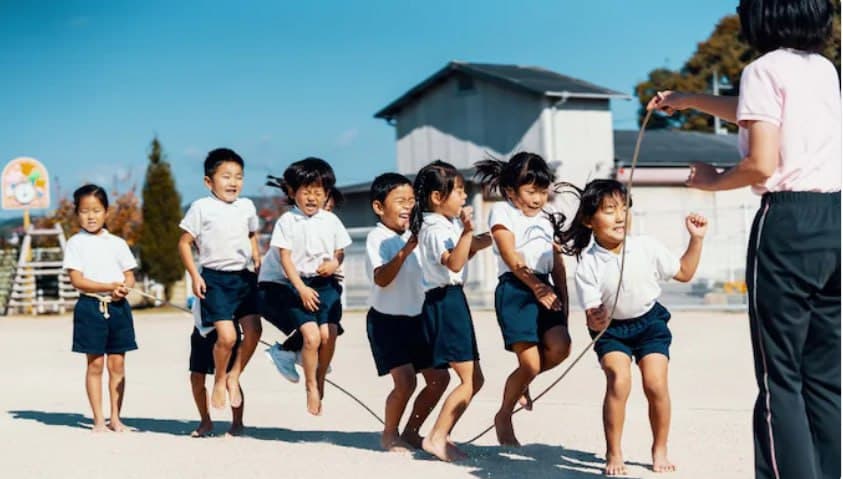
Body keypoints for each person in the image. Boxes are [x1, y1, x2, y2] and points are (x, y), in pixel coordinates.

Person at [647, 1, 840, 477]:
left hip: (788, 222)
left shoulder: (762, 69)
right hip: (836, 219)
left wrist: (712, 180)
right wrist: (689, 99)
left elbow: (760, 163)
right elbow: (753, 111)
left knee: (780, 378)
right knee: (825, 377)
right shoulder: (823, 69)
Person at [562, 179, 707, 476]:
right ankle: (614, 451)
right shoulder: (588, 263)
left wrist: (696, 239)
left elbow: (684, 273)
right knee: (619, 380)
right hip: (612, 331)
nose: (620, 217)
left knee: (655, 384)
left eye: (623, 209)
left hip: (650, 323)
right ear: (589, 221)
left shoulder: (646, 246)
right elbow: (592, 316)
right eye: (609, 210)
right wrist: (595, 318)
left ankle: (660, 448)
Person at [474, 152, 572, 446]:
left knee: (562, 347)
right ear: (511, 191)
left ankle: (523, 381)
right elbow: (510, 254)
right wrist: (536, 288)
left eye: (543, 191)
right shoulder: (502, 212)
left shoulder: (547, 217)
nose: (538, 198)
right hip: (516, 288)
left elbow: (557, 265)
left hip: (545, 285)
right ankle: (504, 414)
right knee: (529, 363)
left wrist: (563, 306)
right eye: (531, 191)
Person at [410, 160, 492, 461]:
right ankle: (437, 437)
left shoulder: (446, 224)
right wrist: (468, 231)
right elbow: (455, 263)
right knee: (469, 380)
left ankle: (423, 434)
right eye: (458, 191)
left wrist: (493, 236)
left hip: (451, 300)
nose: (464, 196)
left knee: (471, 379)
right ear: (436, 197)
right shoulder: (434, 228)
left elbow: (466, 250)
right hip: (445, 301)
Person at [257, 157, 351, 415]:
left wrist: (334, 263)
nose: (312, 198)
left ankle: (320, 379)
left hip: (323, 283)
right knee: (311, 336)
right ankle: (310, 386)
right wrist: (300, 288)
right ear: (292, 192)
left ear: (326, 194)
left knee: (329, 334)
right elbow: (285, 258)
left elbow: (340, 251)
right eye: (306, 192)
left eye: (318, 192)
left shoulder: (331, 220)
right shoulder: (287, 221)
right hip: (295, 283)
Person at [364, 172, 450, 451]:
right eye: (400, 200)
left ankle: (412, 431)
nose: (408, 206)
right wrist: (406, 250)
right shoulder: (377, 237)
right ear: (379, 207)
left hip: (419, 319)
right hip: (386, 321)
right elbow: (381, 278)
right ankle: (389, 433)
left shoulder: (421, 235)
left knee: (440, 379)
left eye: (412, 200)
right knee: (405, 381)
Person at [178, 148, 262, 410]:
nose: (233, 182)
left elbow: (251, 233)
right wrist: (195, 275)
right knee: (227, 337)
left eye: (239, 176)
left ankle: (234, 375)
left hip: (244, 278)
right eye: (226, 176)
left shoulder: (246, 206)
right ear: (209, 181)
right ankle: (219, 380)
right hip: (215, 279)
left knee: (254, 331)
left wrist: (256, 253)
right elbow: (184, 243)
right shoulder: (201, 207)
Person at [63, 184, 138, 432]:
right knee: (94, 365)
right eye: (85, 211)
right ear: (77, 213)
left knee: (117, 365)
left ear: (106, 211)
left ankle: (115, 418)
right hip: (90, 307)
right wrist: (108, 286)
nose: (91, 216)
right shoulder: (75, 243)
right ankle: (98, 419)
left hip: (119, 308)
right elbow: (77, 280)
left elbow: (129, 276)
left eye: (96, 210)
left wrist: (123, 289)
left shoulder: (117, 243)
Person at [188, 325, 245, 437]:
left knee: (229, 378)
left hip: (226, 329)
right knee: (196, 378)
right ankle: (205, 422)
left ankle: (237, 423)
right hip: (201, 330)